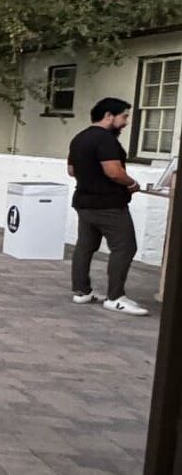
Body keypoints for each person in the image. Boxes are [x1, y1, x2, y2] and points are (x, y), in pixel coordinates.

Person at [69, 96, 153, 316]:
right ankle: (115, 297)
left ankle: (82, 291)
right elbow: (113, 171)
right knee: (124, 247)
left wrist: (90, 178)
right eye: (124, 116)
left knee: (85, 246)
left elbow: (71, 170)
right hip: (108, 205)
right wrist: (132, 183)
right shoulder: (105, 140)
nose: (126, 122)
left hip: (84, 202)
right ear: (108, 116)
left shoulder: (79, 138)